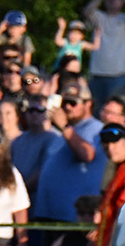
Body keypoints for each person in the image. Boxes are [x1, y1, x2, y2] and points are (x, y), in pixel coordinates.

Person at [32, 81, 105, 234]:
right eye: (64, 103)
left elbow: (87, 154)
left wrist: (65, 127)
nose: (67, 107)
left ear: (88, 104)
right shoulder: (61, 131)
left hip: (73, 217)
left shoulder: (96, 128)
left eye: (73, 103)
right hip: (47, 213)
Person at [82, 0, 125, 107]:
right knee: (96, 109)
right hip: (98, 74)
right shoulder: (100, 17)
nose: (113, 0)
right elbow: (87, 12)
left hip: (119, 76)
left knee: (115, 109)